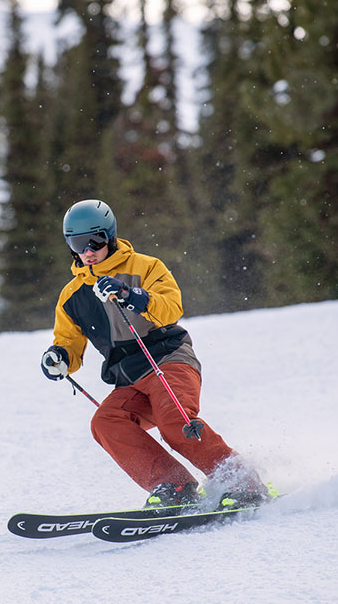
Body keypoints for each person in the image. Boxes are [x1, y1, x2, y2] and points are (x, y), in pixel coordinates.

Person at [40, 199, 271, 512]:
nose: (87, 251)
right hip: (128, 378)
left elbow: (171, 307)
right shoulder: (71, 296)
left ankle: (241, 480)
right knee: (106, 423)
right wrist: (60, 358)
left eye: (94, 241)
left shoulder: (145, 267)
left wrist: (131, 295)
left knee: (174, 421)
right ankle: (174, 486)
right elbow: (68, 341)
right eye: (77, 244)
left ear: (109, 236)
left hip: (167, 360)